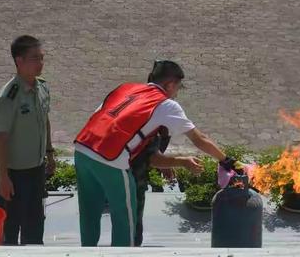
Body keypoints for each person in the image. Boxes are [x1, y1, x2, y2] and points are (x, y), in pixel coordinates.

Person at [74, 60, 239, 247]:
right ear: (169, 85)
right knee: (125, 218)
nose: (177, 93)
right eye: (178, 87)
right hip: (111, 158)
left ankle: (86, 251)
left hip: (82, 149)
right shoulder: (166, 104)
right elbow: (199, 138)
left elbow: (102, 115)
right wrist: (226, 160)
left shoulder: (126, 88)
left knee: (89, 211)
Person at [0, 35, 55, 245]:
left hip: (36, 169)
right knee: (10, 230)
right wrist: (3, 177)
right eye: (35, 58)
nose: (40, 63)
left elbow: (44, 121)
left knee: (35, 225)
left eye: (42, 57)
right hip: (14, 174)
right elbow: (1, 139)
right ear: (19, 61)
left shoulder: (42, 87)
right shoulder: (8, 97)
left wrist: (49, 153)